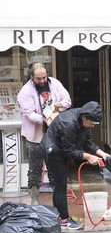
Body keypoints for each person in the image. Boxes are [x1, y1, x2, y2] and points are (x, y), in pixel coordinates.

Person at [42, 101, 110, 230]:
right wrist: (89, 157)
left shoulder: (85, 120)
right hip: (54, 151)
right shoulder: (68, 123)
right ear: (84, 117)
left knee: (60, 185)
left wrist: (103, 154)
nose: (92, 126)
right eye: (91, 123)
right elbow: (68, 150)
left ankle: (60, 217)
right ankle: (64, 220)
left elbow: (88, 143)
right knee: (60, 185)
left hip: (62, 150)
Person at [17, 62, 72, 205]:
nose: (42, 81)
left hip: (54, 136)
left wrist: (57, 106)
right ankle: (34, 201)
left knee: (55, 167)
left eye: (44, 77)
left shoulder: (55, 83)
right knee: (35, 169)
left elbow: (67, 101)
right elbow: (29, 114)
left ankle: (58, 201)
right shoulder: (25, 91)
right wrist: (45, 119)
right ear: (31, 77)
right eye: (38, 79)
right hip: (35, 136)